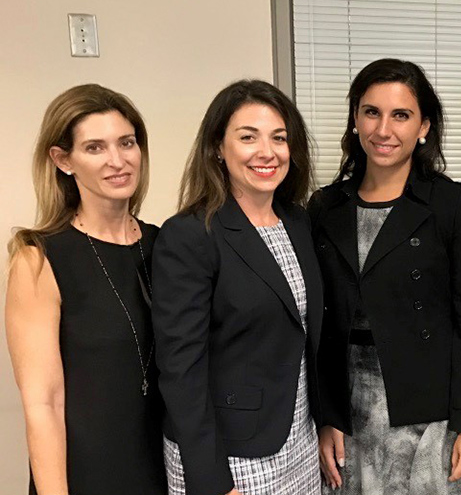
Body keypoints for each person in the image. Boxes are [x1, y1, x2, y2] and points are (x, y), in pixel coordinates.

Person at [309, 58, 461, 495]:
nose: (384, 129)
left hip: (436, 410)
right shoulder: (325, 208)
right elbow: (323, 327)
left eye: (400, 115)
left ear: (423, 126)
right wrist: (327, 416)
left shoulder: (454, 206)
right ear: (355, 120)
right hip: (353, 409)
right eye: (372, 112)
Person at [152, 80, 322, 495]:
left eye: (279, 138)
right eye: (248, 137)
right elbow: (181, 370)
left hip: (298, 438)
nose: (267, 152)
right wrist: (209, 479)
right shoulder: (190, 235)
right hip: (228, 456)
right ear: (217, 147)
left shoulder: (297, 222)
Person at [5, 84, 166, 494]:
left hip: (165, 463)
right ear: (63, 160)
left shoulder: (165, 244)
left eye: (126, 143)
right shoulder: (39, 258)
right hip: (89, 471)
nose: (118, 160)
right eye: (95, 148)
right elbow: (43, 404)